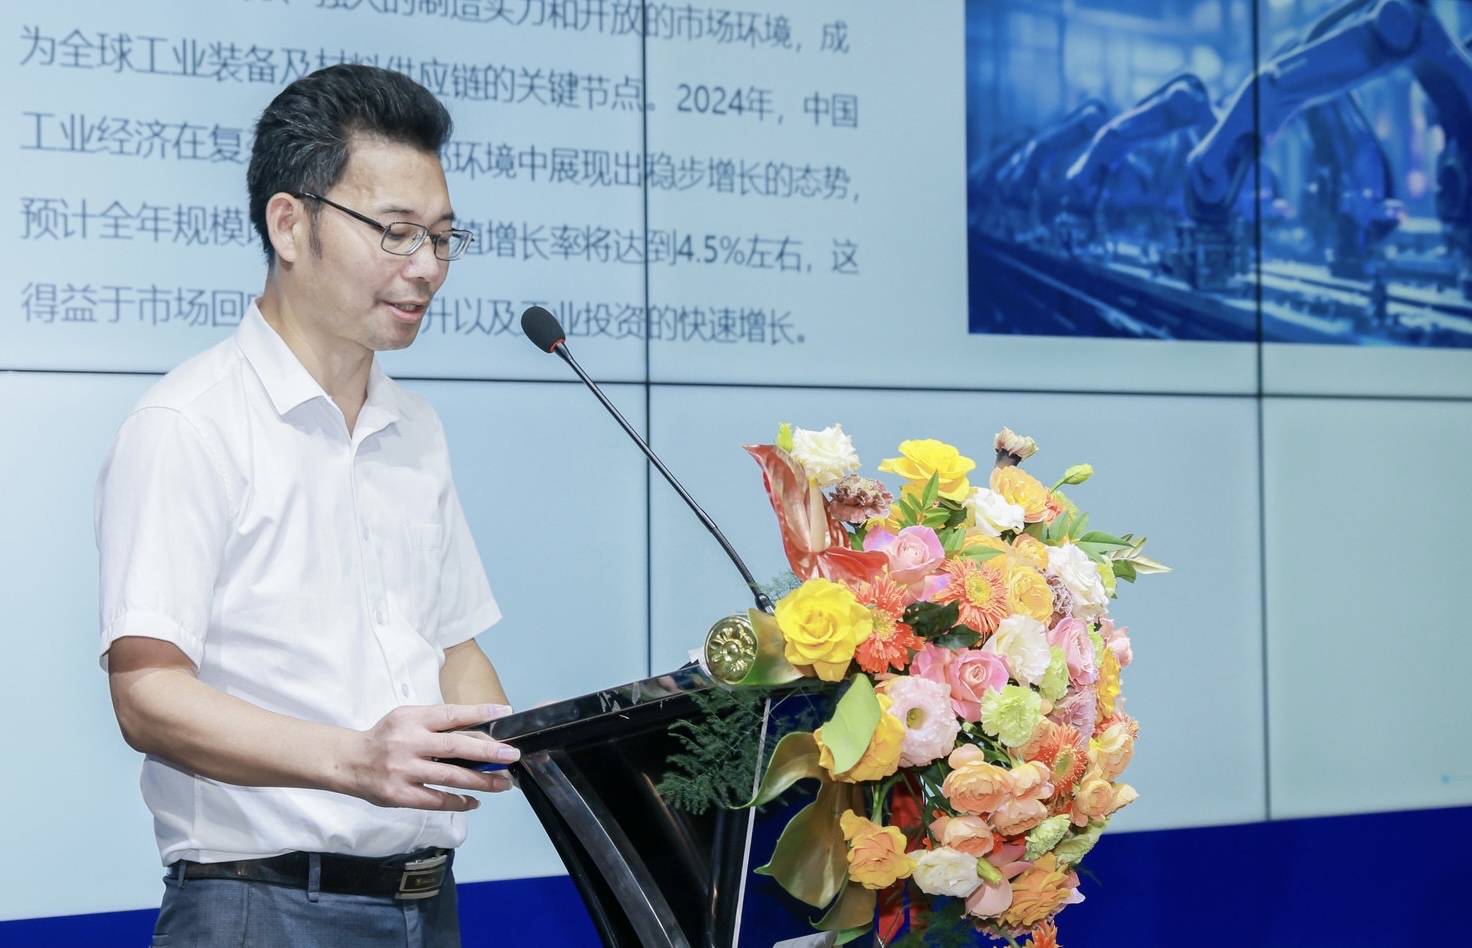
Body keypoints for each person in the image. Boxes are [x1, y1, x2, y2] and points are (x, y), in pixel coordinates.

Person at [95, 64, 515, 948]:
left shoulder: (415, 427)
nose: (427, 268)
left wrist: (545, 746)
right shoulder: (189, 423)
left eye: (443, 238)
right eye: (397, 233)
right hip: (263, 907)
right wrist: (356, 759)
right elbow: (147, 693)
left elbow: (453, 649)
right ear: (289, 224)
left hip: (427, 903)